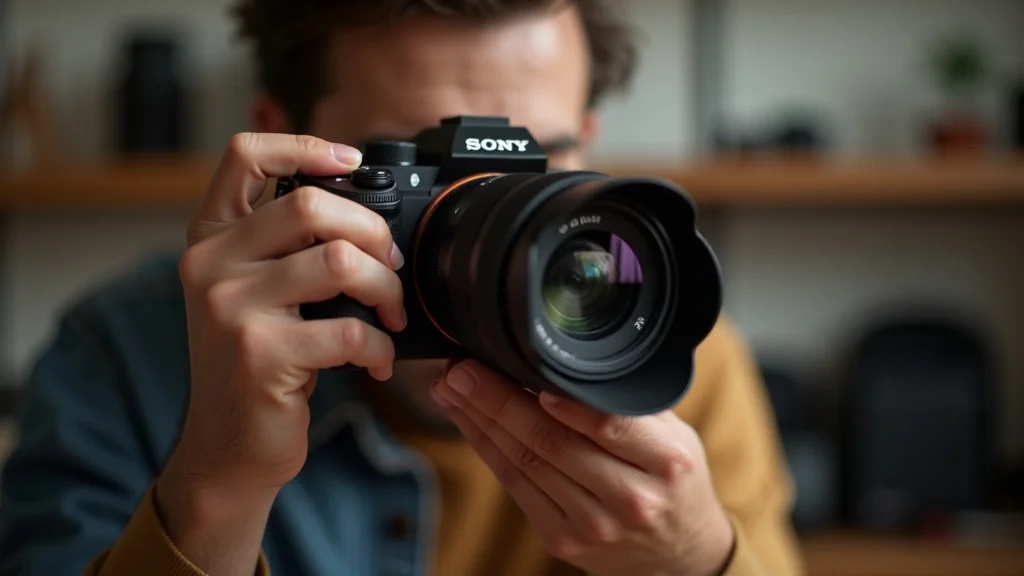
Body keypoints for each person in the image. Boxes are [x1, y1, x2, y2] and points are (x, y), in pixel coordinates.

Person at [0, 1, 804, 575]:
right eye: (416, 168)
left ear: (585, 145)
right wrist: (215, 487)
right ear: (283, 144)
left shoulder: (658, 348)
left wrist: (696, 559)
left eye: (534, 162)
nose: (497, 216)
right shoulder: (124, 353)